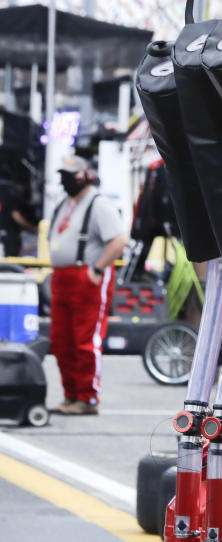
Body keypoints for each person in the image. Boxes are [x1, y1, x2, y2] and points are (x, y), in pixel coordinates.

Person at [48, 156, 127, 415]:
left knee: (85, 340)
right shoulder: (65, 203)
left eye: (72, 174)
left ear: (85, 174)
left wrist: (97, 269)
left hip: (86, 277)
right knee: (61, 341)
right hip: (62, 278)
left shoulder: (98, 204)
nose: (67, 179)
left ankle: (87, 397)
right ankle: (71, 395)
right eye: (64, 174)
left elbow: (119, 240)